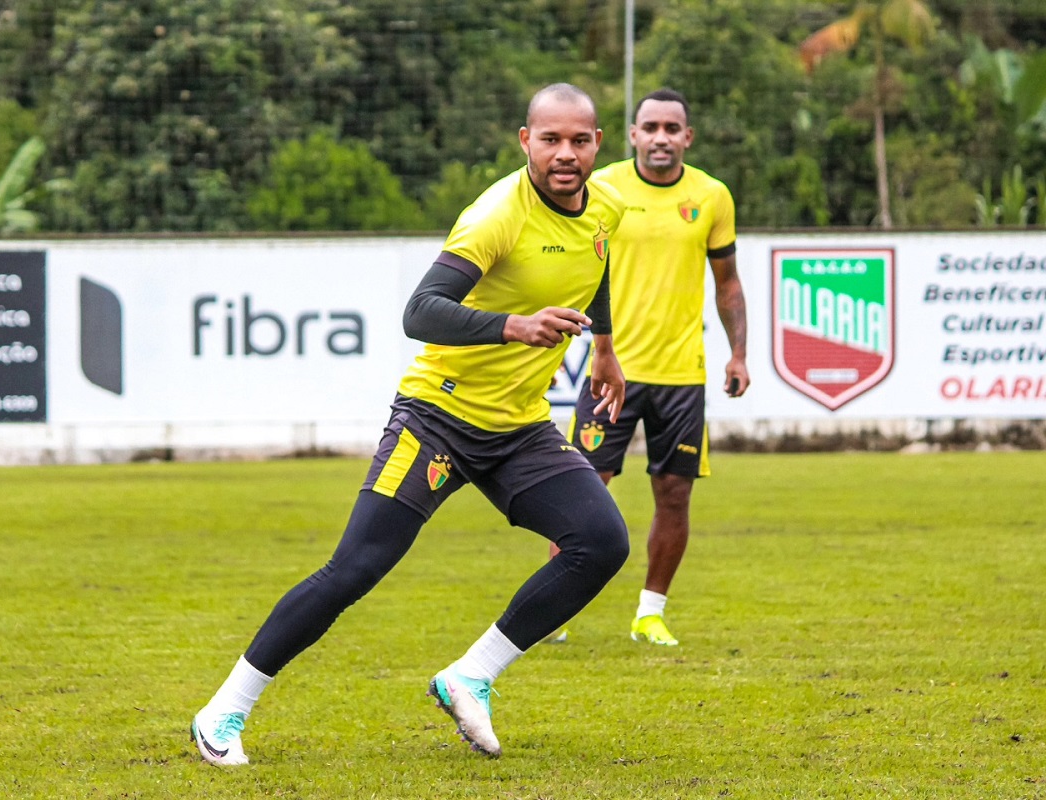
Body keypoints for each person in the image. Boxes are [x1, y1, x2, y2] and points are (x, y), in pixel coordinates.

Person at [191, 83, 629, 765]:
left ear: (598, 144)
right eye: (550, 140)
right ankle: (224, 710)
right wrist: (513, 326)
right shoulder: (496, 216)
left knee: (601, 541)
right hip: (438, 421)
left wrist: (603, 348)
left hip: (519, 429)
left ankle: (470, 676)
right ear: (526, 142)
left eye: (578, 140)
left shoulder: (607, 206)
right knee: (355, 569)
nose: (565, 154)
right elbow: (420, 311)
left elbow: (594, 260)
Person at [552, 87, 748, 647]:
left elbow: (727, 282)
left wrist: (739, 353)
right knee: (580, 489)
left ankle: (650, 612)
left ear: (687, 137)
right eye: (650, 127)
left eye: (672, 128)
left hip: (682, 375)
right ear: (633, 135)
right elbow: (569, 262)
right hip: (609, 368)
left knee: (674, 493)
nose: (661, 137)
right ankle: (557, 608)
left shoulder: (711, 196)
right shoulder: (604, 187)